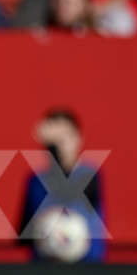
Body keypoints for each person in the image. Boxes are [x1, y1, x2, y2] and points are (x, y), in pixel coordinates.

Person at [18, 108, 106, 263]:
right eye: (55, 140)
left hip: (86, 268)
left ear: (79, 138)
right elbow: (23, 237)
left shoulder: (89, 175)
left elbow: (67, 190)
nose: (61, 144)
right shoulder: (35, 181)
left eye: (66, 136)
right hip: (46, 268)